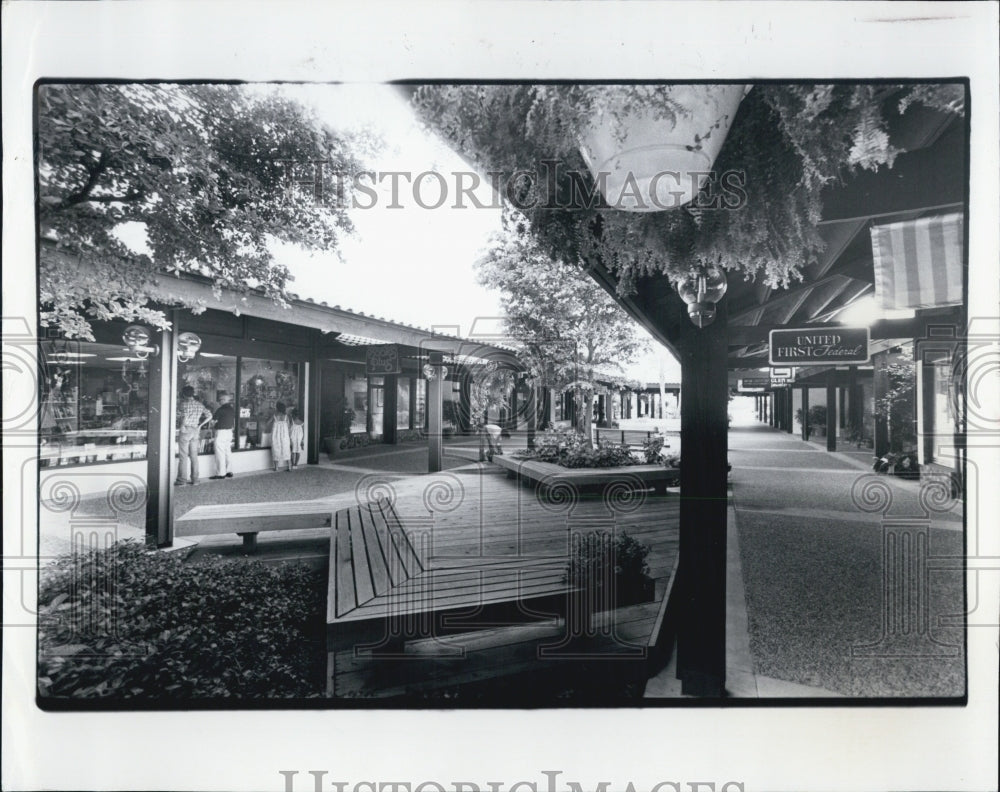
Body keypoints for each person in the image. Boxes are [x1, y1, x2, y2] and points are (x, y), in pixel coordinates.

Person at [176, 385, 211, 485]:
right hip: (195, 430)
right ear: (193, 393)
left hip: (186, 429)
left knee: (183, 456)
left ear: (183, 394)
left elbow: (184, 417)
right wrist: (200, 425)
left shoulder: (183, 404)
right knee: (194, 456)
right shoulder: (199, 404)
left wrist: (182, 425)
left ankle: (182, 480)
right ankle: (195, 479)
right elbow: (210, 416)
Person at [209, 391, 236, 480]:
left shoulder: (220, 409)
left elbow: (213, 421)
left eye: (220, 400)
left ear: (224, 400)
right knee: (228, 451)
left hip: (221, 432)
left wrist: (212, 425)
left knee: (220, 452)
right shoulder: (232, 409)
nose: (219, 401)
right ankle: (229, 471)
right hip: (229, 432)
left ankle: (221, 473)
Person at [270, 401, 292, 472]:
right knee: (286, 448)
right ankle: (289, 466)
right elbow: (289, 426)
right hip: (285, 435)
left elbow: (268, 422)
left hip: (276, 435)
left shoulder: (275, 416)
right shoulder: (286, 417)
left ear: (277, 408)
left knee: (276, 448)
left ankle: (276, 467)